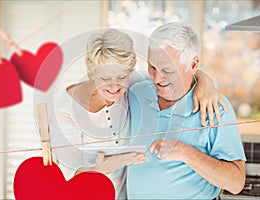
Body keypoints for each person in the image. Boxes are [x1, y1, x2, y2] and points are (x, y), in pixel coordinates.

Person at [53, 28, 226, 199]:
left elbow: (175, 75)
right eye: (105, 78)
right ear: (92, 72)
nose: (114, 87)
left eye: (121, 77)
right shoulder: (66, 110)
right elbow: (68, 171)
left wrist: (205, 80)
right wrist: (101, 169)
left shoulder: (134, 85)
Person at [127, 22, 246, 199]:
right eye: (152, 67)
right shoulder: (136, 92)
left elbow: (236, 183)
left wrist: (185, 152)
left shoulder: (216, 108)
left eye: (168, 70)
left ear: (193, 64)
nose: (157, 78)